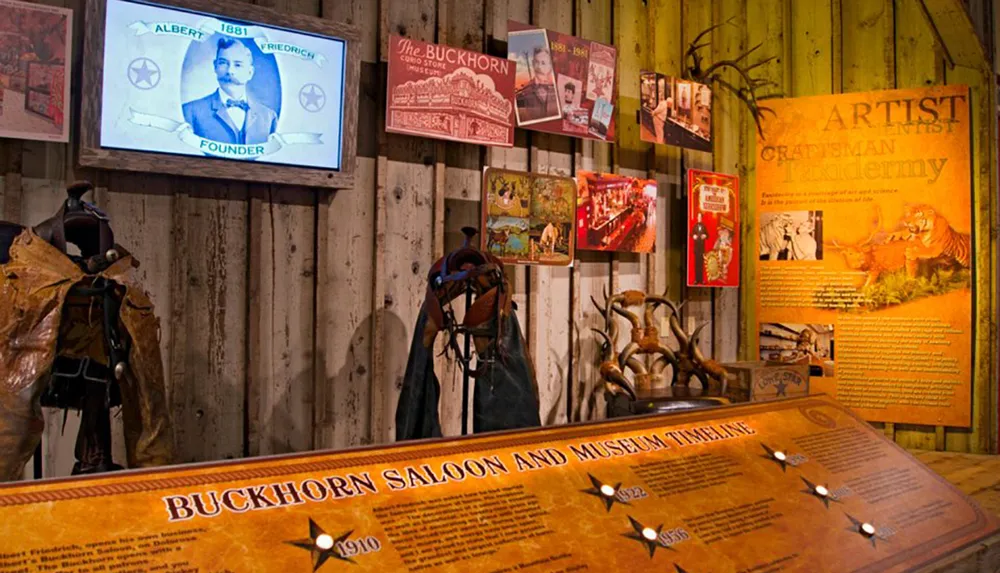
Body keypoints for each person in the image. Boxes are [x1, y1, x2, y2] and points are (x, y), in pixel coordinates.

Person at [182, 38, 278, 145]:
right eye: (223, 63)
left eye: (238, 65)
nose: (230, 71)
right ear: (215, 67)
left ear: (250, 72)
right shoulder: (190, 112)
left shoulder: (269, 117)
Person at [516, 46, 559, 122]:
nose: (539, 67)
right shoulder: (524, 90)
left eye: (543, 63)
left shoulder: (557, 90)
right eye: (536, 62)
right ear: (532, 63)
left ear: (550, 66)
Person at [691, 212, 709, 284]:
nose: (699, 218)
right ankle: (696, 280)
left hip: (702, 248)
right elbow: (691, 233)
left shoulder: (704, 226)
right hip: (696, 248)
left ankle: (701, 280)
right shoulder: (695, 226)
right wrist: (693, 236)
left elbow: (708, 235)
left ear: (702, 218)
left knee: (701, 264)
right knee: (696, 264)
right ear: (697, 218)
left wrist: (705, 235)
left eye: (700, 217)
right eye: (698, 217)